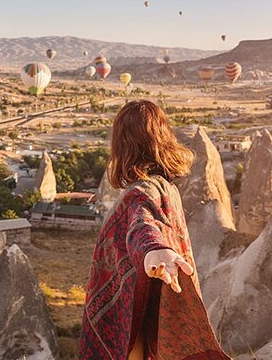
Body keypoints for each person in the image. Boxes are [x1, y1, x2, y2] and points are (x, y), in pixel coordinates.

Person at [79, 100, 229, 359]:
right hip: (150, 307)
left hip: (130, 319)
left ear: (122, 145)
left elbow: (144, 223)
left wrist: (154, 250)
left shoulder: (142, 191)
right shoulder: (167, 189)